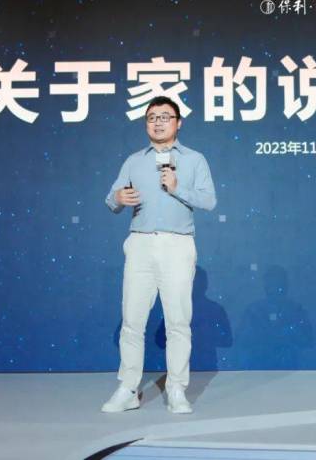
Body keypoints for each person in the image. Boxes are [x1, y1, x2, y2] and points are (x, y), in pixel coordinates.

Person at [101, 96, 217, 414]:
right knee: (132, 320)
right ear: (146, 124)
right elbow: (111, 200)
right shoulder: (133, 161)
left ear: (178, 123)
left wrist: (177, 187)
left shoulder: (194, 160)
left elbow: (209, 201)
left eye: (165, 117)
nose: (158, 122)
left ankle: (177, 389)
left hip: (177, 244)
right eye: (152, 117)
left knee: (178, 322)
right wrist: (118, 197)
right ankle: (128, 389)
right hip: (140, 243)